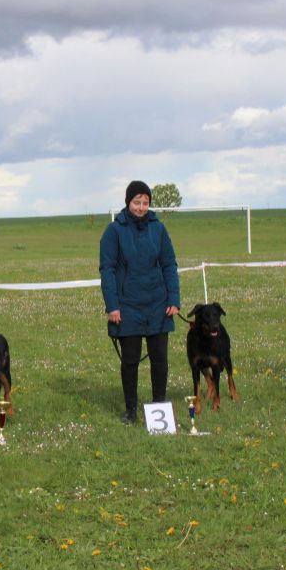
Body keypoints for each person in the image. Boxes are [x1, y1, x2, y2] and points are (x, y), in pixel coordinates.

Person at [99, 180, 181, 424]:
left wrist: (174, 299)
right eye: (137, 202)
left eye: (145, 202)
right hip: (127, 307)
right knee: (130, 361)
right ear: (128, 202)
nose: (141, 207)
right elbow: (107, 270)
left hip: (158, 304)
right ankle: (131, 411)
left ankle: (159, 407)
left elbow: (169, 264)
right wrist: (112, 305)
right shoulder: (113, 231)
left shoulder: (159, 229)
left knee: (160, 360)